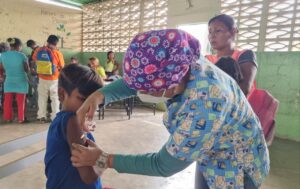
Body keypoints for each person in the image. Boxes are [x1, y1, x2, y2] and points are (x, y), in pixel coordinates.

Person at [70, 29, 270, 189]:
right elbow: (135, 81)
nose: (138, 91)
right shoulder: (181, 61)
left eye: (146, 89)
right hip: (210, 151)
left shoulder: (206, 106)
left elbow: (163, 164)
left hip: (236, 166)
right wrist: (99, 95)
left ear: (169, 85)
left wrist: (104, 159)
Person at [45, 64, 103, 189]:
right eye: (83, 99)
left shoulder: (64, 120)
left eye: (94, 101)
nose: (90, 107)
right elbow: (89, 177)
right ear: (61, 94)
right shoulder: (71, 120)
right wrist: (103, 159)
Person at [206, 14, 257, 97]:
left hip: (237, 107)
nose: (212, 35)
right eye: (210, 32)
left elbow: (244, 90)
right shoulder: (207, 59)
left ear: (233, 32)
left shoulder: (245, 55)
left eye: (218, 30)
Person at [33, 35, 65, 123]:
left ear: (47, 41)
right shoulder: (58, 53)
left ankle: (41, 116)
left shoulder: (38, 50)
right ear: (56, 43)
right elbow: (62, 67)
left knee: (42, 97)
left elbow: (35, 61)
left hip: (42, 78)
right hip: (54, 79)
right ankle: (54, 117)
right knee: (54, 98)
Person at [0, 38, 29, 123]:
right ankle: (21, 119)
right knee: (21, 102)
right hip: (21, 80)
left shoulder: (3, 55)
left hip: (9, 81)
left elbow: (1, 68)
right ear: (19, 46)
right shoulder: (22, 55)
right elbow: (26, 69)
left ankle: (8, 118)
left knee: (7, 101)